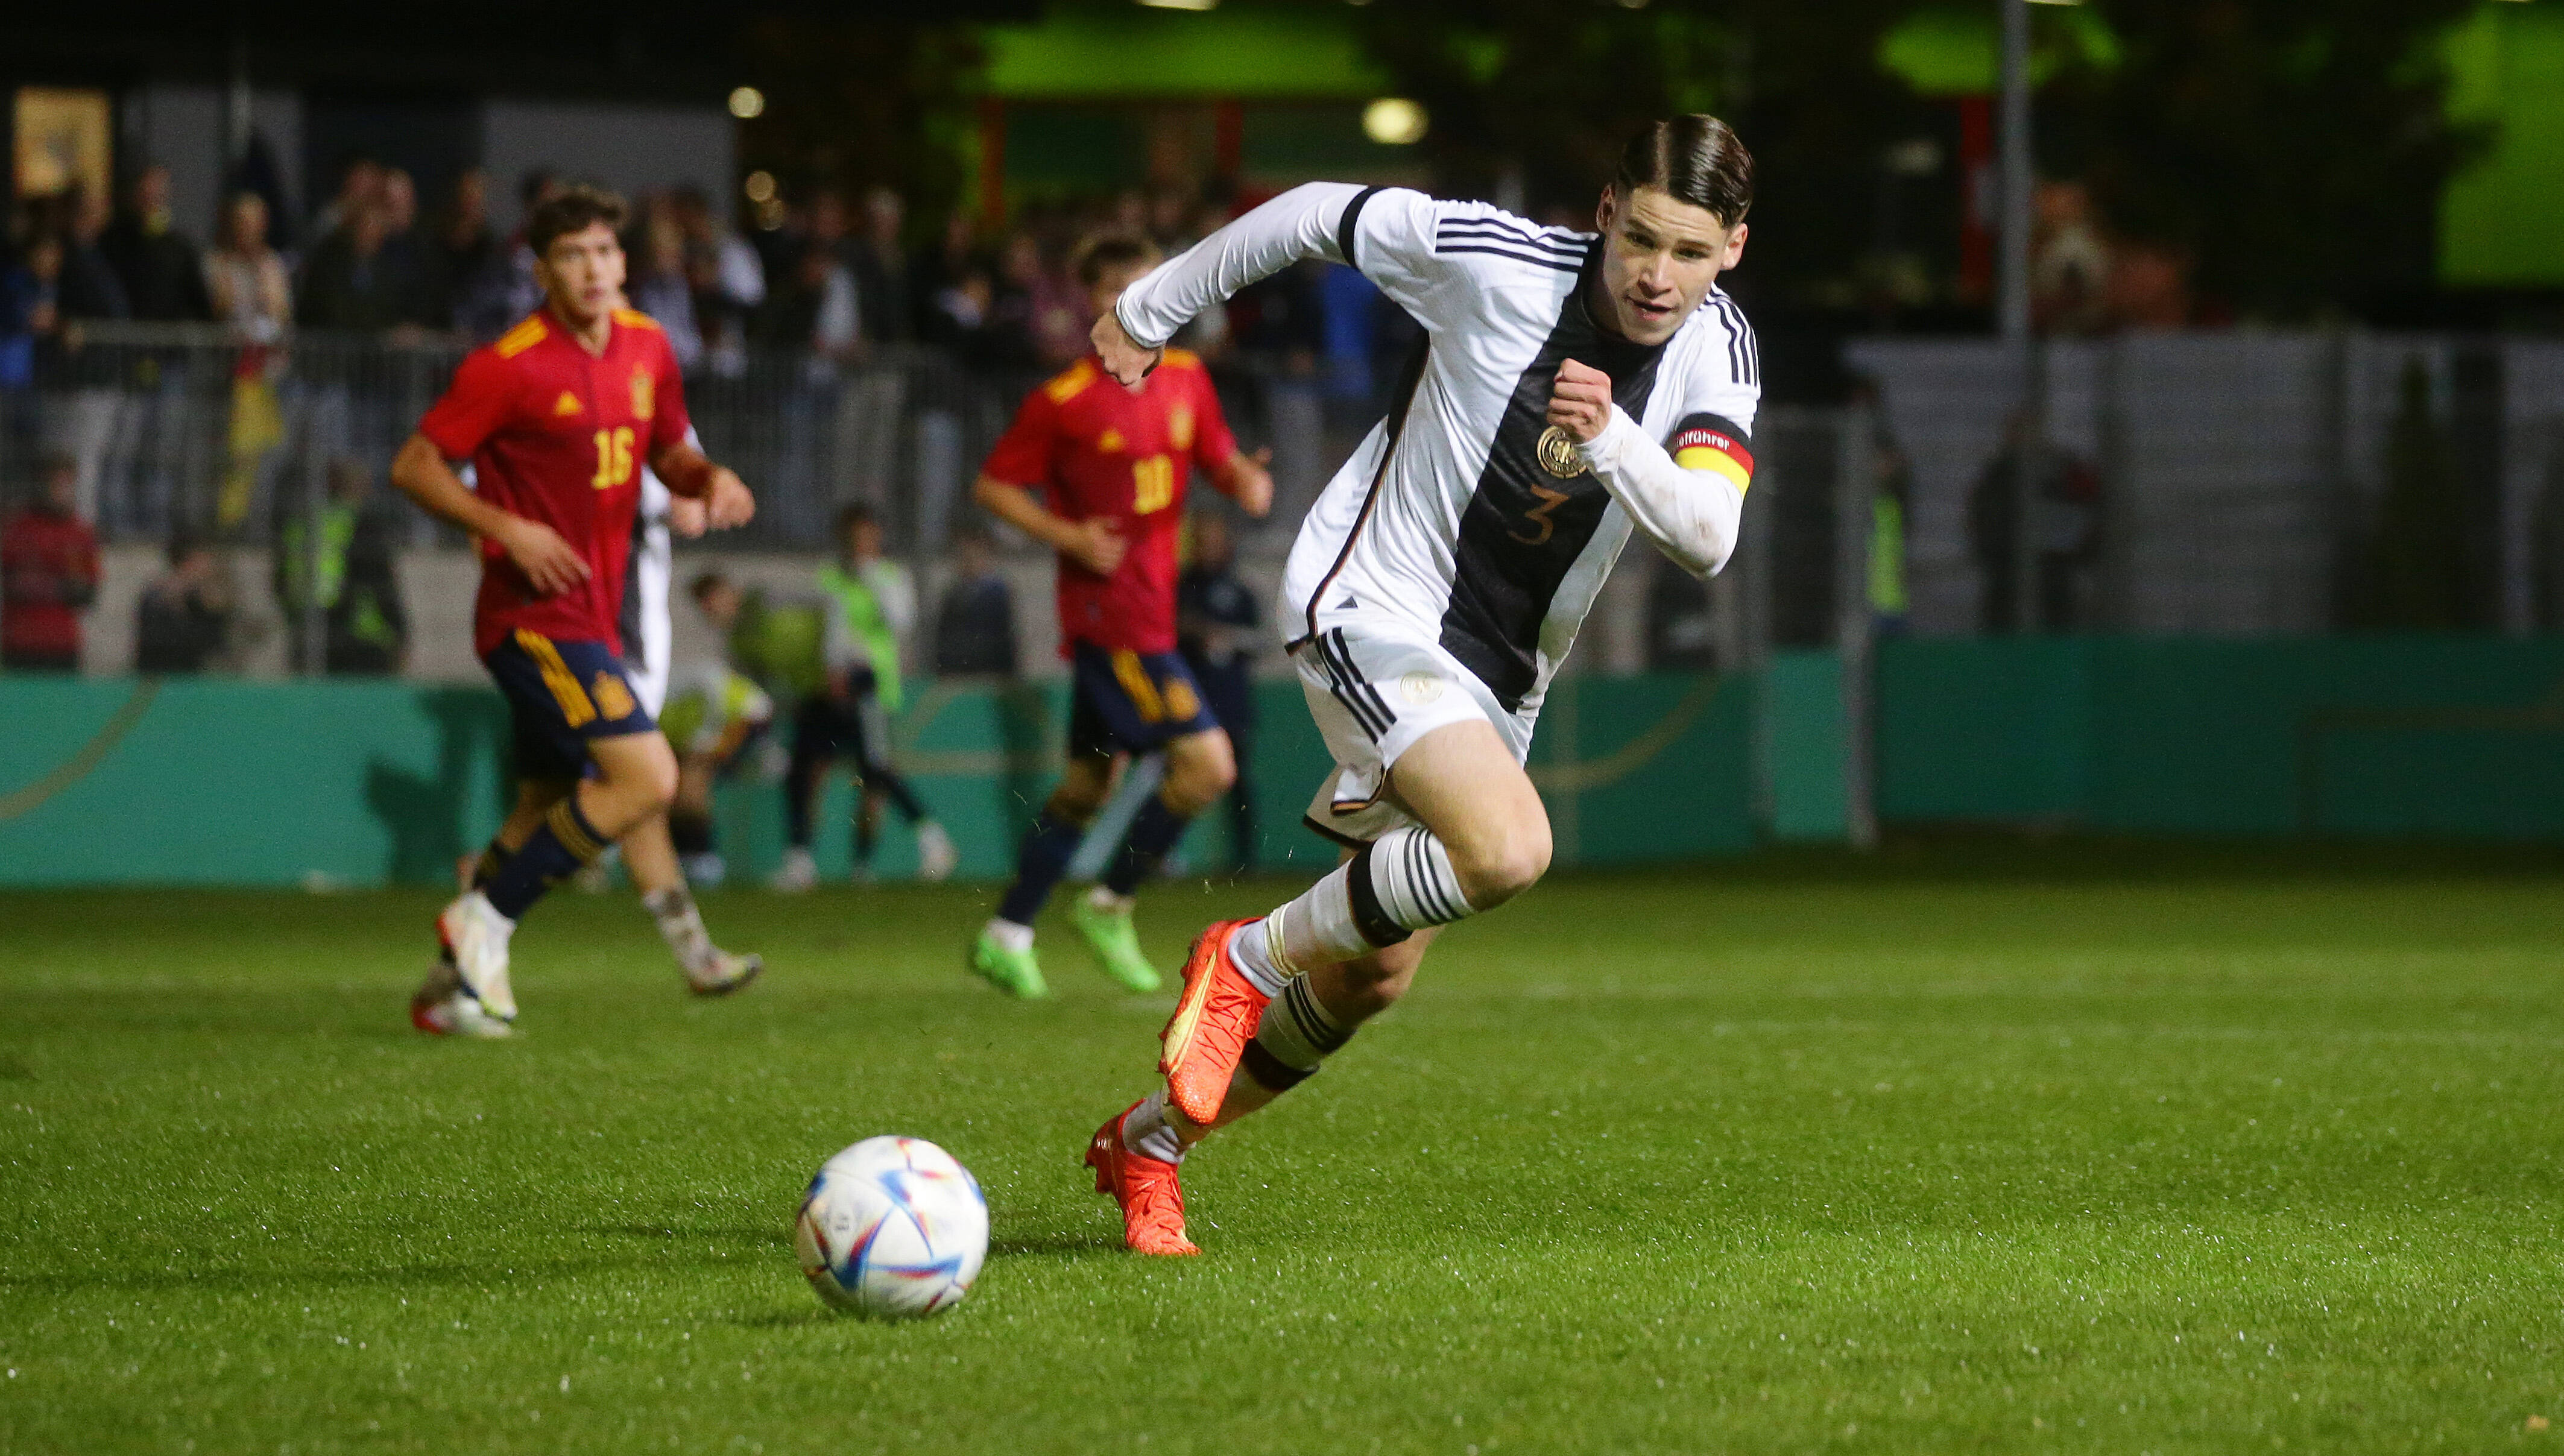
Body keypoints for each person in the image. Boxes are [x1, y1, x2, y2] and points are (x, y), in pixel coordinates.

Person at [1076, 115, 1764, 1255]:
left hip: (1502, 678)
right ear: (1604, 210)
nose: (1657, 276)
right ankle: (1243, 958)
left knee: (1372, 977)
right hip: (1372, 607)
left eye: (1690, 253)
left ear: (1732, 249)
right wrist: (1149, 311)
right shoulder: (1493, 261)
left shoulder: (1717, 350)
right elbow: (1310, 215)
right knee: (1507, 851)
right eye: (1641, 238)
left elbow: (1707, 535)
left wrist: (1610, 441)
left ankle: (1147, 1144)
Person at [388, 184, 760, 1038]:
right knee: (647, 778)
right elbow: (415, 465)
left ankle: (449, 989)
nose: (591, 270)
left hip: (592, 613)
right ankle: (484, 922)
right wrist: (506, 526)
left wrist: (710, 478)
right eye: (571, 256)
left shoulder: (647, 346)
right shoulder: (509, 363)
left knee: (541, 802)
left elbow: (667, 448)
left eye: (603, 252)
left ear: (623, 261)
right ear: (542, 270)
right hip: (531, 620)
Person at [966, 235, 1274, 1000]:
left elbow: (1219, 460)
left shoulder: (1189, 380)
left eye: (1153, 286)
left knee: (1085, 785)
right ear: (1093, 302)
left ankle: (1006, 932)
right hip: (1112, 620)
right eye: (1121, 290)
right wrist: (1067, 536)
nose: (1140, 302)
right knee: (1208, 766)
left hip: (1153, 612)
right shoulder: (1063, 400)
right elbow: (995, 487)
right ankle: (1109, 904)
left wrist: (1243, 481)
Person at [772, 503, 956, 889]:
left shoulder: (890, 577)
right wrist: (825, 670)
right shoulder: (829, 578)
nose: (860, 543)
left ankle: (915, 843)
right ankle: (800, 859)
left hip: (870, 684)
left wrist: (870, 579)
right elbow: (823, 631)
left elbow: (899, 623)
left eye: (868, 535)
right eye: (854, 536)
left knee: (874, 772)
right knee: (806, 770)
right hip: (827, 684)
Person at [659, 571, 776, 886]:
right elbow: (703, 688)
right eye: (729, 597)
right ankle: (696, 858)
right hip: (686, 721)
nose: (735, 604)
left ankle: (699, 859)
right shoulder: (691, 634)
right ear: (711, 600)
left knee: (690, 788)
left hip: (708, 723)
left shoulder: (712, 635)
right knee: (682, 791)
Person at [1176, 508, 1261, 872]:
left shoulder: (1240, 591)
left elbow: (1261, 640)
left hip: (1230, 703)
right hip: (1189, 702)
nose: (1208, 547)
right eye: (1202, 540)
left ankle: (1245, 861)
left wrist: (1226, 638)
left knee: (1238, 784)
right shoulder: (1180, 587)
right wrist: (1194, 632)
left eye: (1215, 540)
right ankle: (1169, 857)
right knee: (1181, 780)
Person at [274, 458, 407, 675]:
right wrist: (400, 633)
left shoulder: (301, 523)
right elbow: (380, 582)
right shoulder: (362, 524)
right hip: (362, 639)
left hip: (309, 636)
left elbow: (280, 583)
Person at [1, 452, 99, 672]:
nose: (61, 491)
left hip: (63, 644)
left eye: (66, 484)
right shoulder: (19, 530)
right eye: (55, 484)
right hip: (20, 642)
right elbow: (11, 584)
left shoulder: (78, 534)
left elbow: (85, 594)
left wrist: (42, 585)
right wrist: (60, 587)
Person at [99, 165, 211, 323]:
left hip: (168, 339)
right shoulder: (112, 242)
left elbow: (198, 301)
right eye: (145, 194)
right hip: (124, 336)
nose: (150, 200)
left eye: (156, 194)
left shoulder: (179, 249)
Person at [133, 533, 233, 673]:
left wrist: (213, 609)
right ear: (189, 562)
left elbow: (215, 644)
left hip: (191, 678)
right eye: (204, 561)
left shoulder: (203, 599)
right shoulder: (156, 596)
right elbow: (153, 643)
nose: (210, 567)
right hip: (158, 678)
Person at [204, 192, 292, 344]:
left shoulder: (272, 263)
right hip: (230, 353)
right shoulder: (217, 262)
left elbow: (282, 311)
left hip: (267, 353)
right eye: (243, 222)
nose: (248, 229)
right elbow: (218, 307)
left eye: (254, 222)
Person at [933, 525, 1018, 677]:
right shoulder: (953, 593)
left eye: (974, 554)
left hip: (990, 671)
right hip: (957, 671)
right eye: (964, 555)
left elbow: (1006, 637)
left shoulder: (997, 592)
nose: (968, 560)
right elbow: (943, 637)